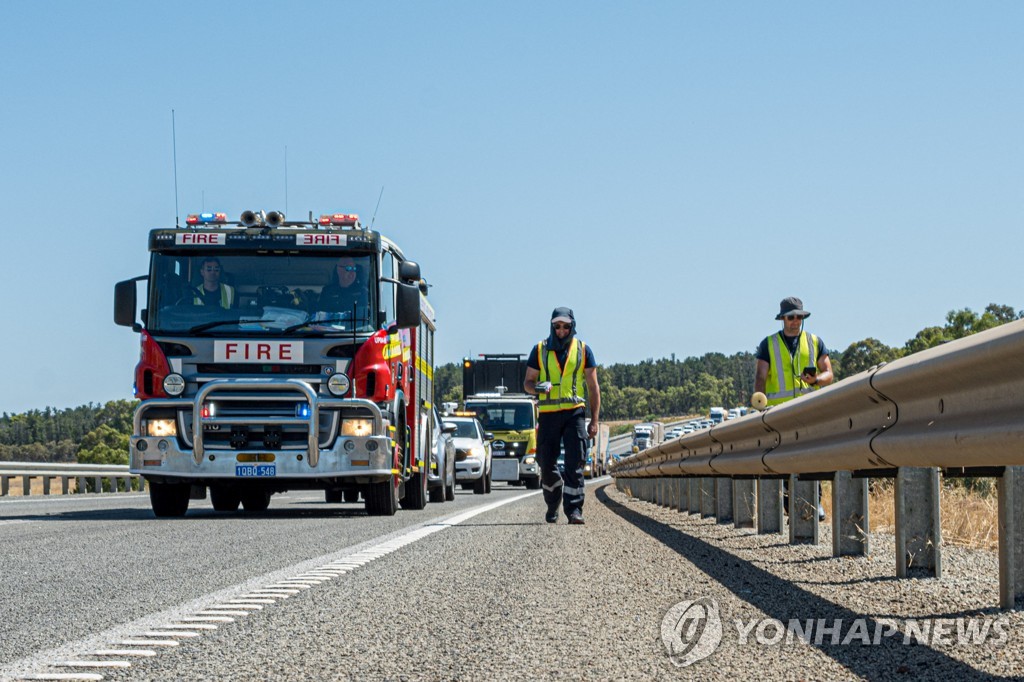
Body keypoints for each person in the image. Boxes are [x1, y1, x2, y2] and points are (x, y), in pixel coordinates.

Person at [754, 296, 833, 520]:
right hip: (779, 413)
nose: (795, 321)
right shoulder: (768, 344)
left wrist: (816, 380)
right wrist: (760, 403)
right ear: (782, 319)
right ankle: (791, 505)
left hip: (808, 411)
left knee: (811, 457)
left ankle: (815, 502)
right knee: (785, 459)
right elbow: (760, 376)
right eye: (791, 317)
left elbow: (829, 373)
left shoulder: (815, 341)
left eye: (799, 317)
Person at [524, 307, 600, 525]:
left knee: (575, 460)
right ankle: (552, 501)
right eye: (557, 326)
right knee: (546, 463)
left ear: (572, 326)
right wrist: (537, 388)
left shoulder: (584, 350)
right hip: (548, 415)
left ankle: (574, 509)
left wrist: (594, 421)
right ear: (551, 326)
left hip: (574, 413)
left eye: (566, 326)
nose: (561, 330)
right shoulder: (539, 350)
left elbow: (594, 388)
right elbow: (527, 383)